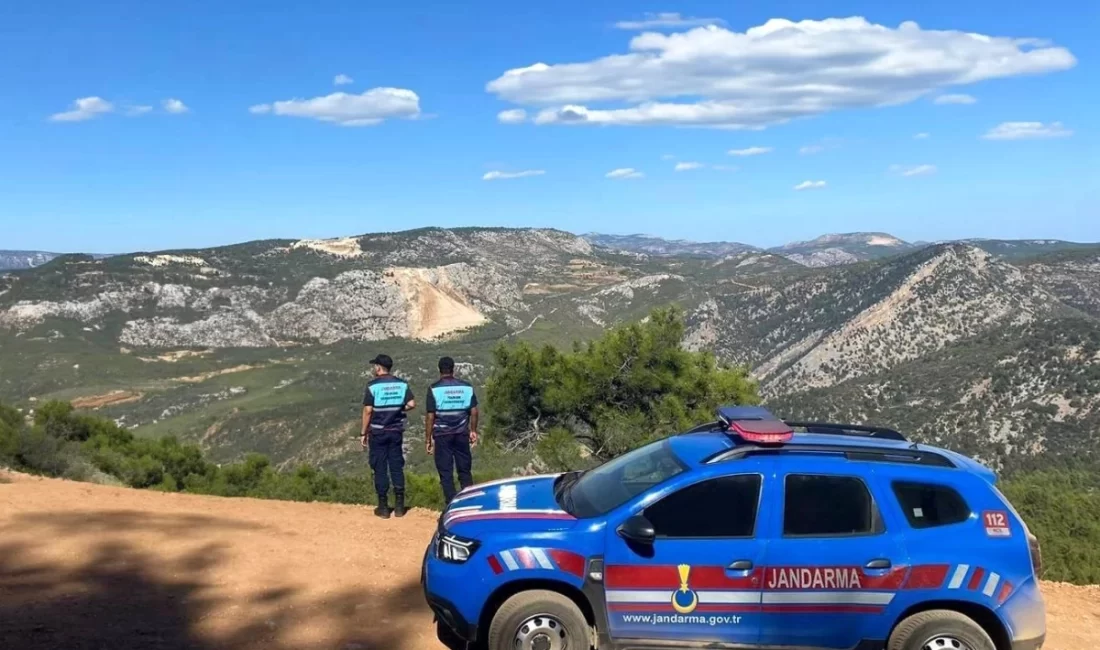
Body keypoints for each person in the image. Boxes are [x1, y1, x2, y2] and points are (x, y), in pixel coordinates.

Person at [361, 354, 415, 518]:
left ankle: (383, 507)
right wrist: (398, 410)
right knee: (396, 465)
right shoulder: (401, 384)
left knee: (380, 467)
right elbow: (412, 404)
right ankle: (399, 506)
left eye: (374, 366)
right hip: (396, 431)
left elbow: (368, 410)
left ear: (378, 367)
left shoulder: (372, 386)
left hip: (378, 432)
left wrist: (363, 432)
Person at [425, 356, 479, 504]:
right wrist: (473, 431)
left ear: (439, 370)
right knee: (465, 470)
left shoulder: (433, 389)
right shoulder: (466, 387)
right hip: (462, 434)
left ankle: (451, 504)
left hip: (442, 435)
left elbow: (430, 416)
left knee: (446, 472)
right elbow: (474, 411)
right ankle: (470, 502)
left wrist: (428, 438)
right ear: (453, 369)